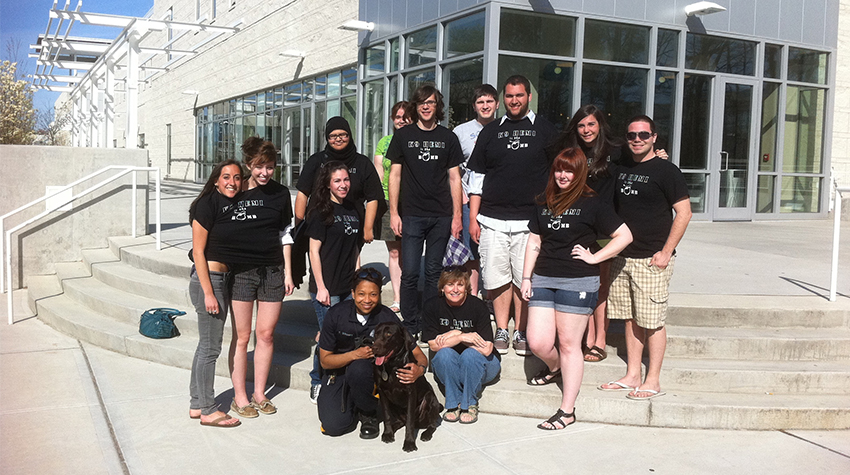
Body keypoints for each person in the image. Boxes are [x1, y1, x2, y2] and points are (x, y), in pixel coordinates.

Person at [520, 147, 633, 430]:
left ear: (579, 172)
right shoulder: (543, 201)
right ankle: (556, 368)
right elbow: (534, 241)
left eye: (569, 170)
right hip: (544, 278)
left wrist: (595, 257)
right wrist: (526, 277)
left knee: (570, 345)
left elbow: (624, 235)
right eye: (559, 169)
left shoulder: (592, 203)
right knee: (538, 342)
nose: (562, 175)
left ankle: (567, 411)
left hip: (578, 281)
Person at [554, 105, 668, 363]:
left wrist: (660, 158)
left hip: (607, 225)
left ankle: (599, 339)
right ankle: (582, 336)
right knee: (584, 280)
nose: (586, 130)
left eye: (591, 124)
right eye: (582, 125)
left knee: (602, 283)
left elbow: (643, 161)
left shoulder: (616, 151)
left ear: (600, 126)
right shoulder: (571, 151)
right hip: (579, 225)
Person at [598, 115, 691, 400]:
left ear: (654, 137)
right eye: (631, 136)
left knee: (652, 321)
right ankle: (632, 374)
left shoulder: (666, 171)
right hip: (622, 257)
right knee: (630, 320)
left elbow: (684, 213)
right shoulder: (620, 167)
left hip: (652, 259)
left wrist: (665, 252)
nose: (637, 140)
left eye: (643, 135)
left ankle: (653, 380)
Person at [466, 75, 558, 356]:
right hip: (491, 220)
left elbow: (560, 173)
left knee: (523, 278)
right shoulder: (490, 131)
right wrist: (473, 217)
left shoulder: (545, 130)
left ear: (529, 97)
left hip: (530, 222)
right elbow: (477, 177)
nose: (514, 100)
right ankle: (502, 329)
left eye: (519, 95)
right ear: (503, 99)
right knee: (496, 278)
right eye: (509, 96)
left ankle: (521, 331)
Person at [387, 84, 464, 337]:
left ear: (437, 105)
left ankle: (430, 323)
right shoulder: (403, 136)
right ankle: (410, 323)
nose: (426, 106)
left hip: (441, 215)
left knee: (433, 272)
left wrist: (457, 216)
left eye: (430, 102)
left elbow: (454, 178)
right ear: (416, 107)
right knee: (409, 272)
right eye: (421, 103)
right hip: (411, 214)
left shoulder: (448, 137)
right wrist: (394, 213)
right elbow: (394, 175)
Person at [318, 268, 428, 438]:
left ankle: (368, 413)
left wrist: (419, 370)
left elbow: (419, 354)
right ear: (353, 293)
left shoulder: (387, 317)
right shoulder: (336, 314)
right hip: (337, 372)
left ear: (380, 294)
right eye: (361, 294)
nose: (367, 300)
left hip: (368, 375)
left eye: (373, 294)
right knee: (334, 426)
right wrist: (355, 354)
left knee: (359, 369)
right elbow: (325, 361)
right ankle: (353, 403)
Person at [228, 138, 295, 419]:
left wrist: (289, 272)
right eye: (259, 167)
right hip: (242, 272)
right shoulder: (236, 190)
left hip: (273, 272)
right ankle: (239, 396)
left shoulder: (281, 195)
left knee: (265, 334)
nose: (265, 173)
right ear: (248, 166)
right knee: (242, 337)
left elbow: (285, 234)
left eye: (269, 167)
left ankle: (259, 393)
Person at [187, 159, 243, 428]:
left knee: (204, 346)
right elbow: (198, 251)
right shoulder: (206, 204)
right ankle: (209, 409)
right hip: (209, 280)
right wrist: (209, 292)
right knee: (210, 348)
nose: (232, 182)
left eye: (237, 177)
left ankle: (197, 403)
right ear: (216, 180)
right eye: (226, 177)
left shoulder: (230, 204)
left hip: (221, 278)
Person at [304, 161, 363, 403]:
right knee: (328, 338)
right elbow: (313, 251)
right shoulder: (320, 212)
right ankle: (317, 381)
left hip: (348, 286)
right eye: (337, 180)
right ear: (328, 183)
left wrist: (359, 283)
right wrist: (321, 287)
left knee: (349, 335)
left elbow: (355, 249)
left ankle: (343, 379)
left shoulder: (353, 210)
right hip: (327, 289)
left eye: (346, 180)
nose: (343, 185)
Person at [422, 266, 500, 424]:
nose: (455, 289)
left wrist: (453, 337)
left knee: (469, 355)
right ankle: (454, 404)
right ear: (442, 288)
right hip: (449, 366)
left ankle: (470, 403)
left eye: (460, 285)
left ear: (467, 288)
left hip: (484, 365)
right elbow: (433, 346)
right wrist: (460, 335)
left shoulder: (478, 306)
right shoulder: (432, 306)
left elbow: (486, 349)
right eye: (450, 284)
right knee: (444, 354)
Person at [295, 116, 383, 242]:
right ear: (327, 138)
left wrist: (368, 228)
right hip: (319, 227)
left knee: (351, 261)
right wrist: (299, 225)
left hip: (352, 227)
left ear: (350, 135)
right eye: (333, 136)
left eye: (343, 135)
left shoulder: (362, 163)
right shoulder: (316, 160)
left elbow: (373, 198)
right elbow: (303, 193)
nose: (338, 139)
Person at [452, 84, 499, 298]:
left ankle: (490, 297)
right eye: (480, 102)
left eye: (489, 101)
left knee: (492, 252)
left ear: (497, 104)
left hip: (495, 200)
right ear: (474, 106)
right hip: (468, 199)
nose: (485, 106)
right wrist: (461, 197)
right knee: (470, 253)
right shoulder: (461, 132)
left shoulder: (504, 128)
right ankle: (471, 297)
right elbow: (452, 170)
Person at [373, 102, 412, 312]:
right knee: (395, 252)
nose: (401, 120)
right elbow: (378, 171)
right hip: (389, 201)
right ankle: (398, 298)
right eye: (397, 116)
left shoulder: (416, 140)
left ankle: (409, 294)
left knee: (411, 251)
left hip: (413, 202)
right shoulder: (384, 143)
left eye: (406, 116)